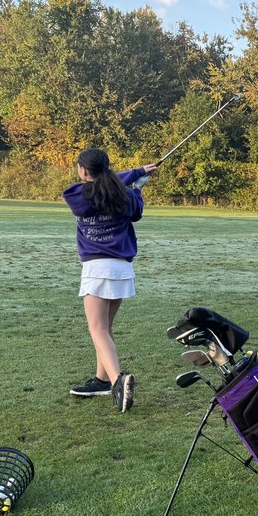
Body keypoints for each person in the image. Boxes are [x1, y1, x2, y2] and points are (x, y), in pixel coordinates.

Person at [63, 148, 157, 412]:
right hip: (122, 269)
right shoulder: (125, 196)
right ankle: (102, 380)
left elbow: (106, 184)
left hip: (96, 268)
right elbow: (133, 206)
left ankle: (117, 381)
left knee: (97, 329)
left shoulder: (76, 195)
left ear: (83, 171)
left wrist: (133, 176)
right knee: (105, 328)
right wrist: (137, 182)